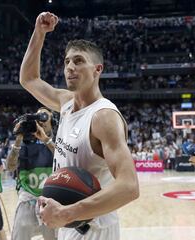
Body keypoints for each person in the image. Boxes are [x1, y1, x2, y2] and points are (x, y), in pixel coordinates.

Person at [19, 12, 139, 240]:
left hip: (93, 229)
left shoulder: (103, 117)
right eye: (67, 62)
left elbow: (129, 186)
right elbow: (29, 79)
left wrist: (68, 212)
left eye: (79, 61)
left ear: (98, 69)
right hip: (67, 224)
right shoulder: (65, 103)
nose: (70, 67)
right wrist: (39, 33)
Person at [6, 107, 57, 240]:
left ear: (53, 122)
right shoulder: (25, 143)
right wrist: (18, 140)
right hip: (28, 198)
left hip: (52, 200)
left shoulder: (59, 141)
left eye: (44, 117)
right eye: (37, 117)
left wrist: (45, 139)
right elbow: (10, 167)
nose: (40, 120)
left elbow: (64, 159)